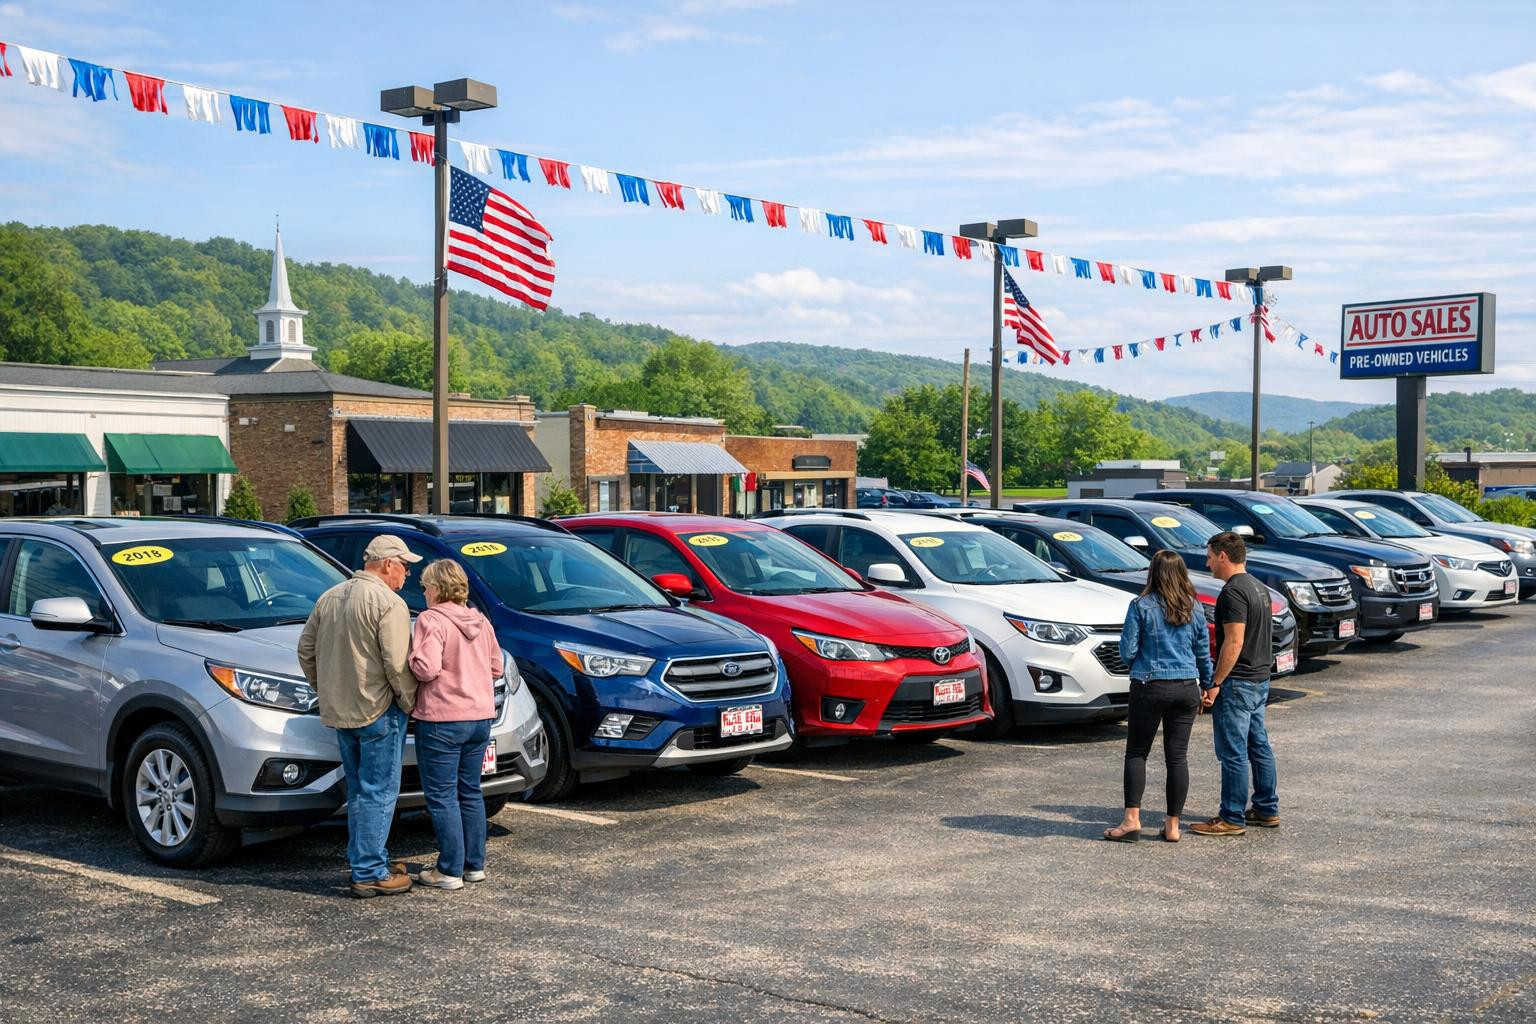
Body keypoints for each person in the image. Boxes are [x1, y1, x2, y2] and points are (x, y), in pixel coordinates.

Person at [298, 535, 421, 897]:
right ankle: (369, 870)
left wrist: (325, 688)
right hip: (380, 710)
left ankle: (368, 860)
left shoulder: (329, 597)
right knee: (378, 792)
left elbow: (305, 651)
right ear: (388, 564)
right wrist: (410, 702)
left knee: (359, 791)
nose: (408, 574)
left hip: (341, 710)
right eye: (405, 566)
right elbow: (397, 665)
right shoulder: (390, 603)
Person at [1104, 550, 1213, 843]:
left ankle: (1131, 821)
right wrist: (1208, 685)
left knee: (1137, 752)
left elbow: (1127, 650)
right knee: (1177, 757)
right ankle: (1173, 825)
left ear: (1153, 573)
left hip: (1149, 685)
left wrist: (1139, 663)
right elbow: (1203, 652)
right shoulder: (1194, 606)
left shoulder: (1141, 605)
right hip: (1187, 686)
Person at [407, 559, 503, 891]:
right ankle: (474, 865)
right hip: (480, 717)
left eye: (425, 586)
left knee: (442, 796)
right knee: (470, 791)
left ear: (436, 588)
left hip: (442, 719)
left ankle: (449, 870)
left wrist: (410, 657)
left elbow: (426, 668)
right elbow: (496, 667)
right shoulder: (481, 621)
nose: (423, 592)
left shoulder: (431, 619)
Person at [1190, 530, 1279, 837]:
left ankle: (1231, 817)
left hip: (1238, 682)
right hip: (1259, 678)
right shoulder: (1258, 587)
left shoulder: (1233, 592)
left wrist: (1215, 682)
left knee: (1233, 752)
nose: (1207, 564)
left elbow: (1234, 641)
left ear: (1223, 556)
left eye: (1209, 557)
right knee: (1258, 745)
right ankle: (1266, 808)